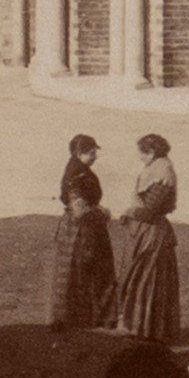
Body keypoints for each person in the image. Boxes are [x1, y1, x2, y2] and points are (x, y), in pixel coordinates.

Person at [110, 132, 182, 347]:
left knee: (145, 278)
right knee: (143, 278)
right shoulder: (158, 168)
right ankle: (143, 328)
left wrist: (129, 213)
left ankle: (146, 329)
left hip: (152, 234)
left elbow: (151, 209)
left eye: (142, 153)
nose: (140, 157)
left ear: (151, 152)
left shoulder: (162, 172)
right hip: (148, 231)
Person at [48, 133, 116, 328]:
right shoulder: (77, 173)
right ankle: (79, 321)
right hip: (81, 230)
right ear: (79, 153)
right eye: (91, 153)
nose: (95, 157)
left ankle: (79, 320)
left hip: (80, 228)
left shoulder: (77, 169)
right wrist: (101, 213)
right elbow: (79, 209)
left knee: (79, 273)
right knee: (81, 272)